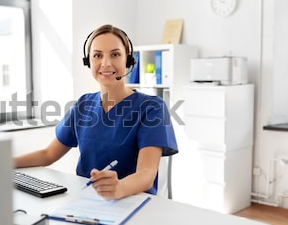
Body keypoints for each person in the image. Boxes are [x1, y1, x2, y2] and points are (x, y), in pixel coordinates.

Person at [14, 24, 178, 200]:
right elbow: (48, 154)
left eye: (115, 54)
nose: (106, 63)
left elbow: (147, 174)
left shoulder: (152, 108)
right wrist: (2, 163)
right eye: (98, 55)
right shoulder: (83, 106)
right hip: (87, 202)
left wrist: (119, 188)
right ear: (88, 61)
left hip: (133, 204)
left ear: (128, 60)